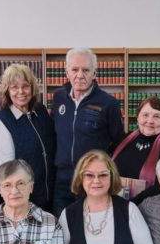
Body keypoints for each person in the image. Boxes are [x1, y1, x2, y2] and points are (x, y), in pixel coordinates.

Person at [51, 48, 125, 215]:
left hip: (93, 180)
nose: (80, 75)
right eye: (75, 69)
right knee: (61, 225)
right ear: (67, 72)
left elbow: (119, 143)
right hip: (62, 180)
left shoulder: (108, 103)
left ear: (94, 73)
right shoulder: (59, 98)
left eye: (85, 70)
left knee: (89, 226)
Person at [0, 63, 55, 211]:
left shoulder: (41, 111)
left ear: (32, 88)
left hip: (52, 193)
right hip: (26, 200)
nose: (21, 91)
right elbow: (8, 169)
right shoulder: (3, 119)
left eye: (25, 86)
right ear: (7, 91)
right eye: (14, 87)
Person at [112, 96, 160, 204]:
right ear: (138, 118)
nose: (150, 121)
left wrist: (132, 204)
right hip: (115, 202)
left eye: (156, 116)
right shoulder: (123, 139)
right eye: (145, 115)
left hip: (147, 205)